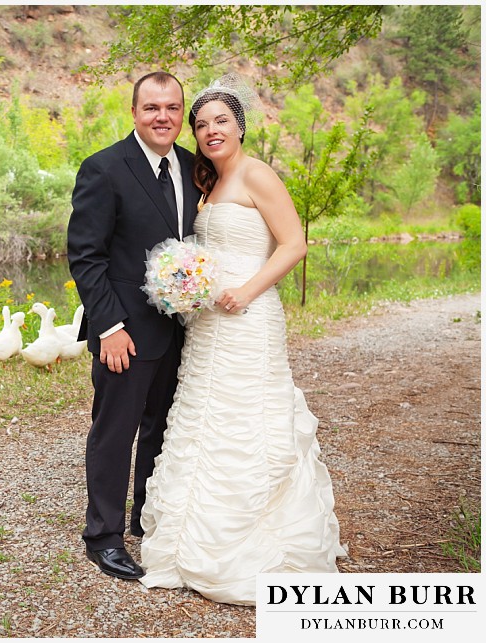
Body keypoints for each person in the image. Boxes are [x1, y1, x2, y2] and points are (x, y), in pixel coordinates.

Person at [138, 74, 346, 605]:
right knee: (203, 415)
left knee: (246, 418)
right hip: (208, 323)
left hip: (249, 317)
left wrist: (247, 291)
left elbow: (294, 244)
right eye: (201, 123)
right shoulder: (206, 184)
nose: (210, 131)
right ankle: (191, 537)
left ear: (240, 126)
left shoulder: (257, 175)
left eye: (221, 121)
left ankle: (252, 537)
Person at [67, 71, 202, 580]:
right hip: (123, 332)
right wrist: (108, 328)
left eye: (171, 108)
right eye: (152, 108)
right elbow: (86, 257)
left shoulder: (194, 168)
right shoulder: (103, 168)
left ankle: (146, 519)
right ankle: (102, 537)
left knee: (162, 431)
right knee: (114, 431)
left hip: (180, 329)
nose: (162, 117)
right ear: (134, 112)